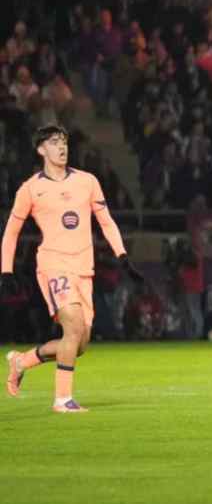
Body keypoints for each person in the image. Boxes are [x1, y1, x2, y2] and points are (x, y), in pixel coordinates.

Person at [2, 124, 144, 412]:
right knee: (73, 327)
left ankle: (22, 361)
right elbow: (11, 232)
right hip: (54, 265)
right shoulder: (30, 189)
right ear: (41, 149)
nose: (62, 147)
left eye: (64, 141)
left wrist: (123, 256)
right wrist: (6, 271)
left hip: (84, 268)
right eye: (54, 142)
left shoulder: (87, 181)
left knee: (79, 344)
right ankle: (63, 400)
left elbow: (106, 221)